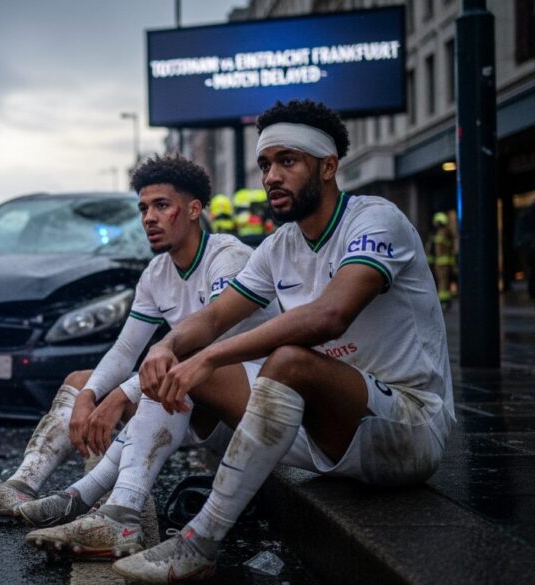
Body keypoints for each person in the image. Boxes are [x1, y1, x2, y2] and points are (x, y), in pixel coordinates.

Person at [111, 100, 455, 583]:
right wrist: (166, 348)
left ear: (329, 166)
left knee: (289, 361)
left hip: (407, 431)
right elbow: (211, 318)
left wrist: (209, 357)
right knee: (181, 356)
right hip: (323, 440)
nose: (271, 176)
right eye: (265, 164)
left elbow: (331, 315)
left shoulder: (376, 219)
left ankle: (201, 541)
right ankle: (116, 512)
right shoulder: (279, 245)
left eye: (287, 161)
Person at [0, 156, 275, 551]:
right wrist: (89, 396)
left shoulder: (228, 256)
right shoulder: (156, 273)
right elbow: (125, 349)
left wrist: (119, 396)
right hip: (197, 402)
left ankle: (113, 512)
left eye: (162, 206)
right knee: (81, 381)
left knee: (161, 376)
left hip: (251, 408)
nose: (149, 217)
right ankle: (22, 485)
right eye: (143, 208)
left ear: (194, 209)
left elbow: (205, 350)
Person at [426, 211, 456, 310]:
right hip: (441, 262)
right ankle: (444, 301)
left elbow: (437, 249)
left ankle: (443, 302)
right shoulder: (444, 233)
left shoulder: (442, 233)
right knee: (443, 283)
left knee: (443, 283)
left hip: (442, 263)